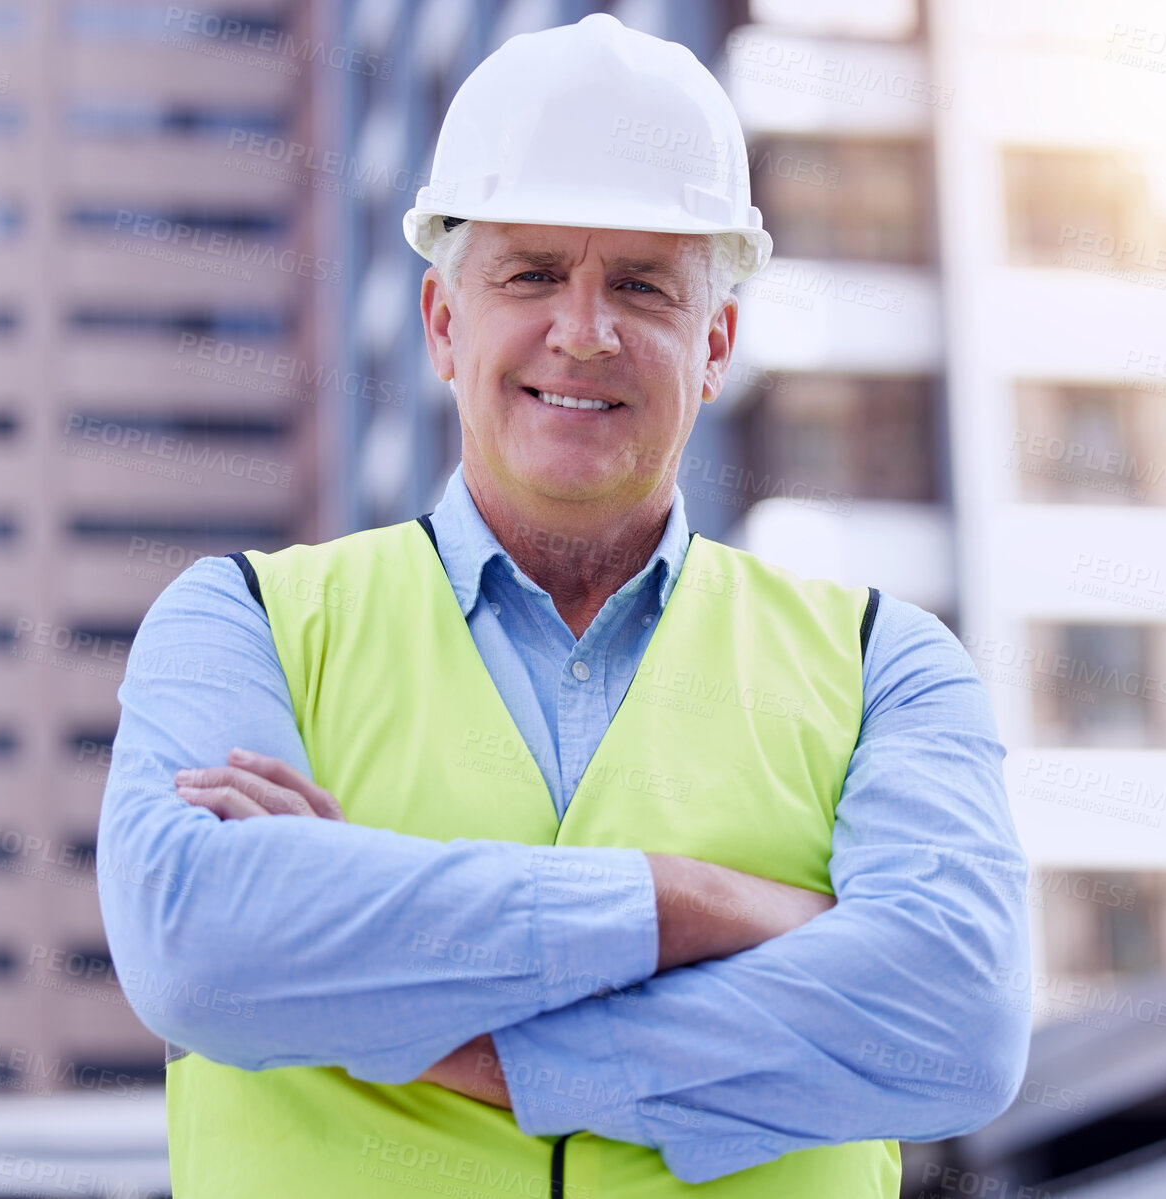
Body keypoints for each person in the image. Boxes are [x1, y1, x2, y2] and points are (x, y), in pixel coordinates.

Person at [97, 13, 1031, 1197]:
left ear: (715, 345)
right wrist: (699, 902)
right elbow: (199, 944)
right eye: (531, 275)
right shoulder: (244, 623)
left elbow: (954, 1017)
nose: (581, 331)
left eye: (641, 287)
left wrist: (450, 1024)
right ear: (443, 324)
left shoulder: (882, 663)